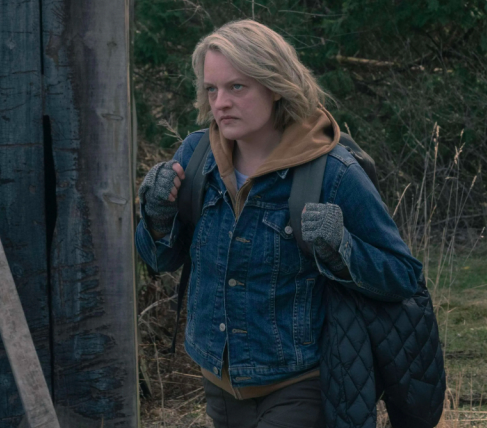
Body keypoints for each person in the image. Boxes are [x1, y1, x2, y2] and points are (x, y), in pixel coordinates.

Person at [135, 19, 423, 428]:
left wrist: (342, 248)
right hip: (217, 385)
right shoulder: (196, 157)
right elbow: (159, 259)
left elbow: (404, 275)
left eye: (237, 87)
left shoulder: (332, 171)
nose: (220, 103)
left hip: (299, 385)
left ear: (274, 85)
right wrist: (157, 217)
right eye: (212, 89)